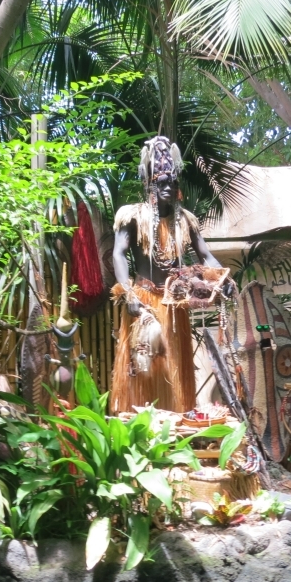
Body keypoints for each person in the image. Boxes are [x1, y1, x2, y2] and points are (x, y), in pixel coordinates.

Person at [109, 136, 227, 414]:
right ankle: (138, 425)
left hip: (175, 305)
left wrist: (223, 279)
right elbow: (118, 254)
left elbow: (205, 255)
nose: (167, 188)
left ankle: (175, 423)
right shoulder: (133, 216)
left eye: (172, 183)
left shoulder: (185, 220)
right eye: (161, 182)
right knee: (144, 365)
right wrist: (127, 292)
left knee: (174, 364)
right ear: (149, 184)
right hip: (144, 302)